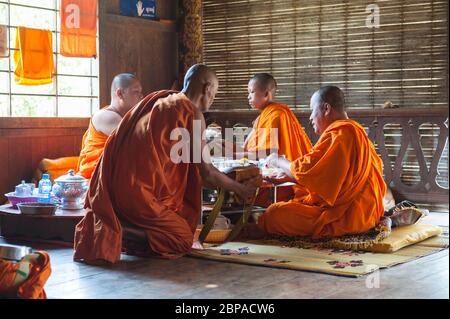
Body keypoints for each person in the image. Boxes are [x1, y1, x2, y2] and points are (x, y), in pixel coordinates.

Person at [73, 64, 261, 264]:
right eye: (214, 92)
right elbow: (207, 173)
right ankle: (115, 228)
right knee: (182, 239)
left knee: (175, 225)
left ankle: (116, 222)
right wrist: (240, 189)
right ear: (207, 89)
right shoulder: (192, 113)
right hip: (139, 194)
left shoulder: (158, 102)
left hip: (115, 187)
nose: (213, 98)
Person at [241, 86, 386, 239]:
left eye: (312, 110)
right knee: (287, 206)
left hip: (346, 216)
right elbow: (329, 179)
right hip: (369, 213)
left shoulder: (341, 133)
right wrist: (291, 178)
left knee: (274, 214)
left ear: (326, 108)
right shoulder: (356, 131)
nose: (310, 117)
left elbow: (306, 169)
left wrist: (278, 160)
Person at [235, 73, 312, 206]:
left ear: (265, 94)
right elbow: (248, 147)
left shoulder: (276, 115)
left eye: (252, 92)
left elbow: (267, 152)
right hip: (267, 169)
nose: (248, 96)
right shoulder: (263, 116)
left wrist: (235, 155)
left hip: (283, 179)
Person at [76, 73, 143, 179]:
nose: (141, 96)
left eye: (140, 92)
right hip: (93, 181)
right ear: (120, 93)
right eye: (136, 92)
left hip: (110, 179)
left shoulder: (124, 116)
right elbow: (137, 143)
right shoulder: (106, 116)